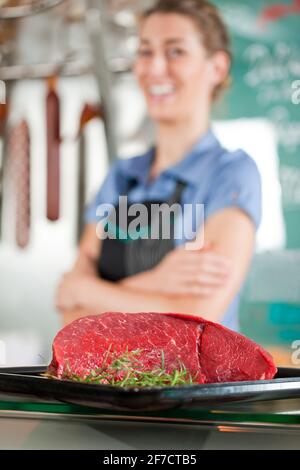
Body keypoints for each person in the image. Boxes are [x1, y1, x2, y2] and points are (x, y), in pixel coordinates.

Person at [56, 0, 261, 331]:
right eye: (145, 51)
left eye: (175, 51)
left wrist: (89, 290)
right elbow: (69, 316)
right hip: (103, 382)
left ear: (217, 68)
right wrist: (159, 283)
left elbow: (199, 317)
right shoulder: (122, 176)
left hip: (190, 382)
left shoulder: (231, 173)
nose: (154, 68)